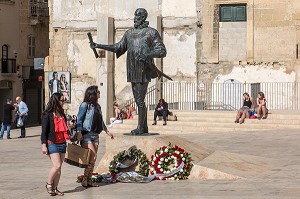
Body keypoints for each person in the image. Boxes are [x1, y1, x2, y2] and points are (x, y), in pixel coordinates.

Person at [90, 8, 169, 135]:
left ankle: (140, 128)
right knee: (139, 100)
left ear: (144, 17)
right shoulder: (129, 33)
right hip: (132, 70)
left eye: (138, 15)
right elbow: (118, 47)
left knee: (139, 101)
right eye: (135, 15)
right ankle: (144, 128)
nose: (135, 17)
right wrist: (99, 45)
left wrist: (148, 54)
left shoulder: (151, 32)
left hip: (143, 70)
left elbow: (162, 51)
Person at [76, 85, 114, 187]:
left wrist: (107, 131)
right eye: (98, 92)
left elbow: (101, 121)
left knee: (92, 159)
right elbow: (79, 120)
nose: (99, 94)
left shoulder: (98, 106)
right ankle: (85, 179)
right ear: (93, 93)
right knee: (92, 156)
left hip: (95, 135)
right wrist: (79, 132)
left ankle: (88, 180)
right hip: (86, 134)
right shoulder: (85, 105)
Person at [41, 92, 70, 196]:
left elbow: (65, 128)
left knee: (59, 167)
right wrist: (44, 145)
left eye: (64, 100)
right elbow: (44, 131)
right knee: (56, 166)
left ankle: (55, 188)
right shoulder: (47, 114)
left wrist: (70, 125)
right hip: (52, 142)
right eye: (61, 100)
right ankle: (48, 184)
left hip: (62, 142)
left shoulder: (62, 114)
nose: (63, 102)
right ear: (56, 101)